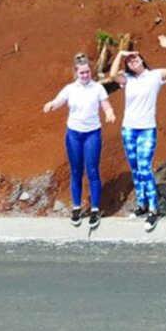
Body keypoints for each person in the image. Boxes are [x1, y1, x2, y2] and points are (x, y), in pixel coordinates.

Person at [109, 35, 166, 232]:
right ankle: (141, 205)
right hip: (129, 128)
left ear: (142, 60)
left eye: (135, 57)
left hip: (147, 128)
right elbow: (113, 74)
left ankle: (154, 210)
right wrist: (122, 53)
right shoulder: (127, 79)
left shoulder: (154, 76)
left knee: (145, 167)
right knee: (135, 168)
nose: (133, 60)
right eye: (130, 60)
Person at [43, 53, 116, 230]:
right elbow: (59, 100)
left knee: (92, 171)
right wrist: (51, 104)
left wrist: (109, 112)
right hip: (74, 134)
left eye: (87, 72)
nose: (85, 75)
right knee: (76, 171)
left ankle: (95, 209)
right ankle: (76, 208)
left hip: (92, 134)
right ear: (76, 73)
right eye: (81, 73)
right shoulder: (70, 88)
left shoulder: (97, 88)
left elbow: (105, 104)